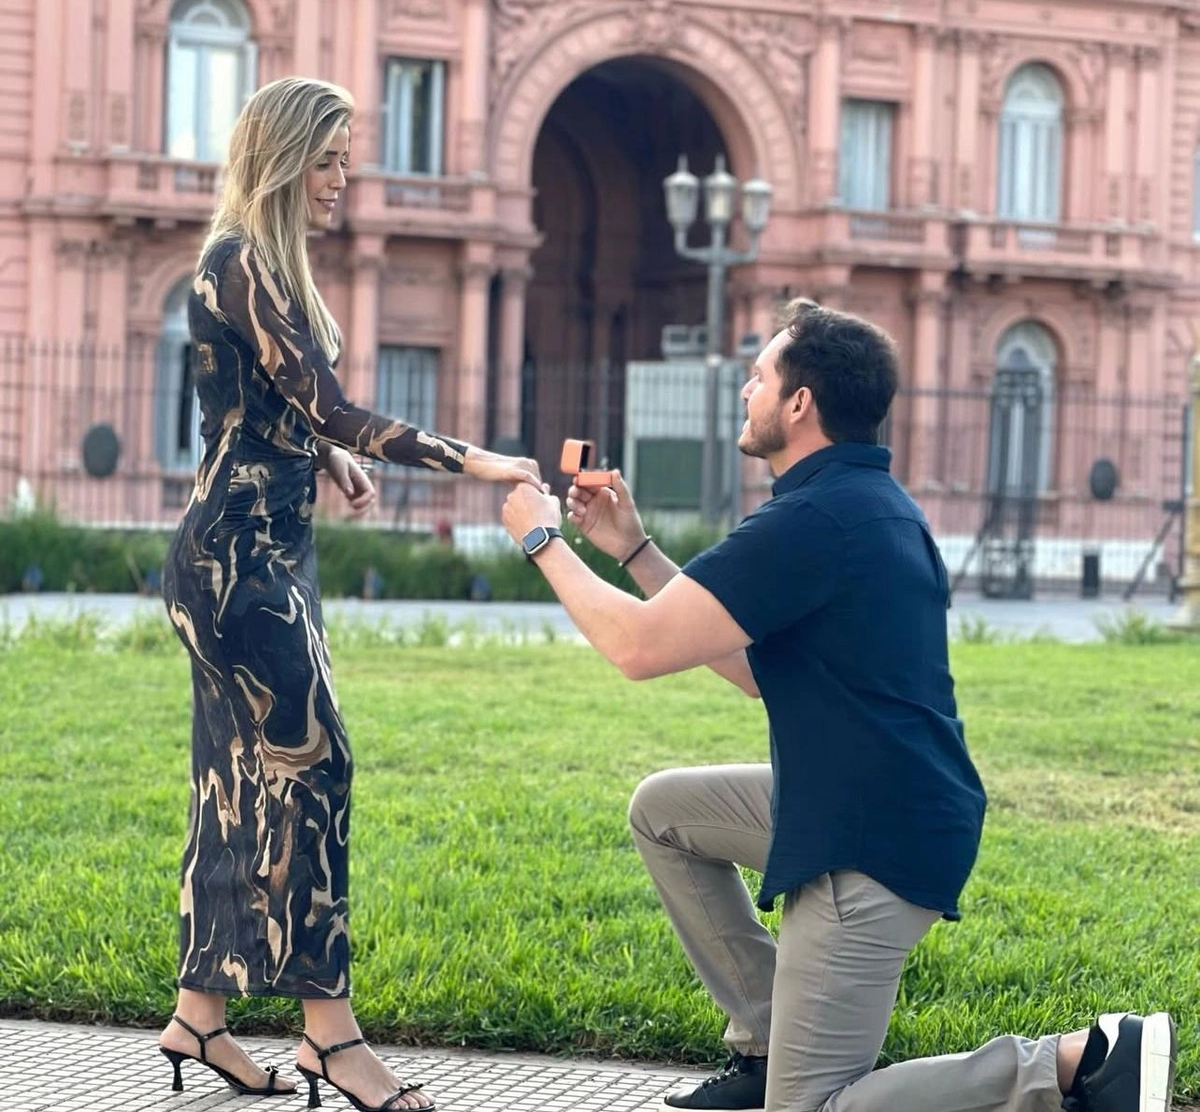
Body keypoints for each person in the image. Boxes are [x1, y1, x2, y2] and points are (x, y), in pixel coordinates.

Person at [500, 299, 1177, 1112]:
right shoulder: (860, 503)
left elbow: (638, 650)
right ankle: (767, 1040)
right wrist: (636, 552)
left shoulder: (814, 520)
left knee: (817, 1107)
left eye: (757, 378)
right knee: (665, 813)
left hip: (870, 839)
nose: (744, 392)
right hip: (868, 799)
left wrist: (543, 539)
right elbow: (750, 667)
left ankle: (1079, 1061)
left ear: (799, 403)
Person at [159, 77, 542, 1112]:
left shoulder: (270, 267)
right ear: (285, 159)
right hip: (235, 564)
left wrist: (327, 457)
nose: (343, 178)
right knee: (318, 767)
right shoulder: (239, 256)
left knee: (237, 786)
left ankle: (200, 1014)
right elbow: (323, 397)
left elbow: (276, 405)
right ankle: (332, 1034)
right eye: (328, 159)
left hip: (271, 554)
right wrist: (480, 459)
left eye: (345, 157)